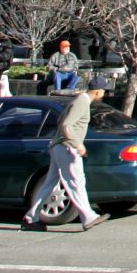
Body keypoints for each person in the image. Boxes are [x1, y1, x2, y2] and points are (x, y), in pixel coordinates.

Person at [23, 85, 107, 231]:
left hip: (59, 146)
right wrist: (77, 144)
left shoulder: (78, 100)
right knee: (76, 182)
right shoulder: (82, 101)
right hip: (67, 147)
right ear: (98, 91)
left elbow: (61, 122)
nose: (104, 93)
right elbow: (66, 125)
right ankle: (88, 217)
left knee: (50, 184)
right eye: (104, 90)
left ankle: (31, 218)